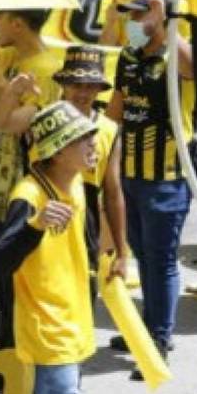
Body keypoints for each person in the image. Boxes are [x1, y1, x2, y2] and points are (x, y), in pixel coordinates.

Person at [0, 101, 101, 394]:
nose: (92, 143)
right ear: (57, 149)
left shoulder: (78, 183)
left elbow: (83, 246)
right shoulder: (29, 196)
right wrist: (33, 226)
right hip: (49, 337)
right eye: (82, 138)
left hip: (73, 326)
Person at [106, 0, 194, 375]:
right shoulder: (128, 57)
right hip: (130, 175)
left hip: (168, 178)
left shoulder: (175, 55)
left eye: (140, 14)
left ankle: (158, 339)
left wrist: (167, 20)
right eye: (130, 14)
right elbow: (116, 110)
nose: (133, 22)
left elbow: (196, 71)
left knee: (161, 261)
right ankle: (146, 327)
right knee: (143, 256)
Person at [0, 8, 60, 354]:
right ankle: (6, 346)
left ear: (17, 24)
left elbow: (11, 123)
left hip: (25, 188)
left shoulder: (48, 69)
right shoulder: (7, 56)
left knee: (15, 278)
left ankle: (14, 353)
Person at [53, 46, 129, 295]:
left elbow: (113, 192)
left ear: (99, 90)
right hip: (48, 215)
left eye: (90, 85)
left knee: (84, 295)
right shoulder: (45, 121)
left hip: (86, 225)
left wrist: (121, 251)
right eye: (76, 84)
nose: (82, 92)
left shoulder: (108, 129)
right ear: (64, 85)